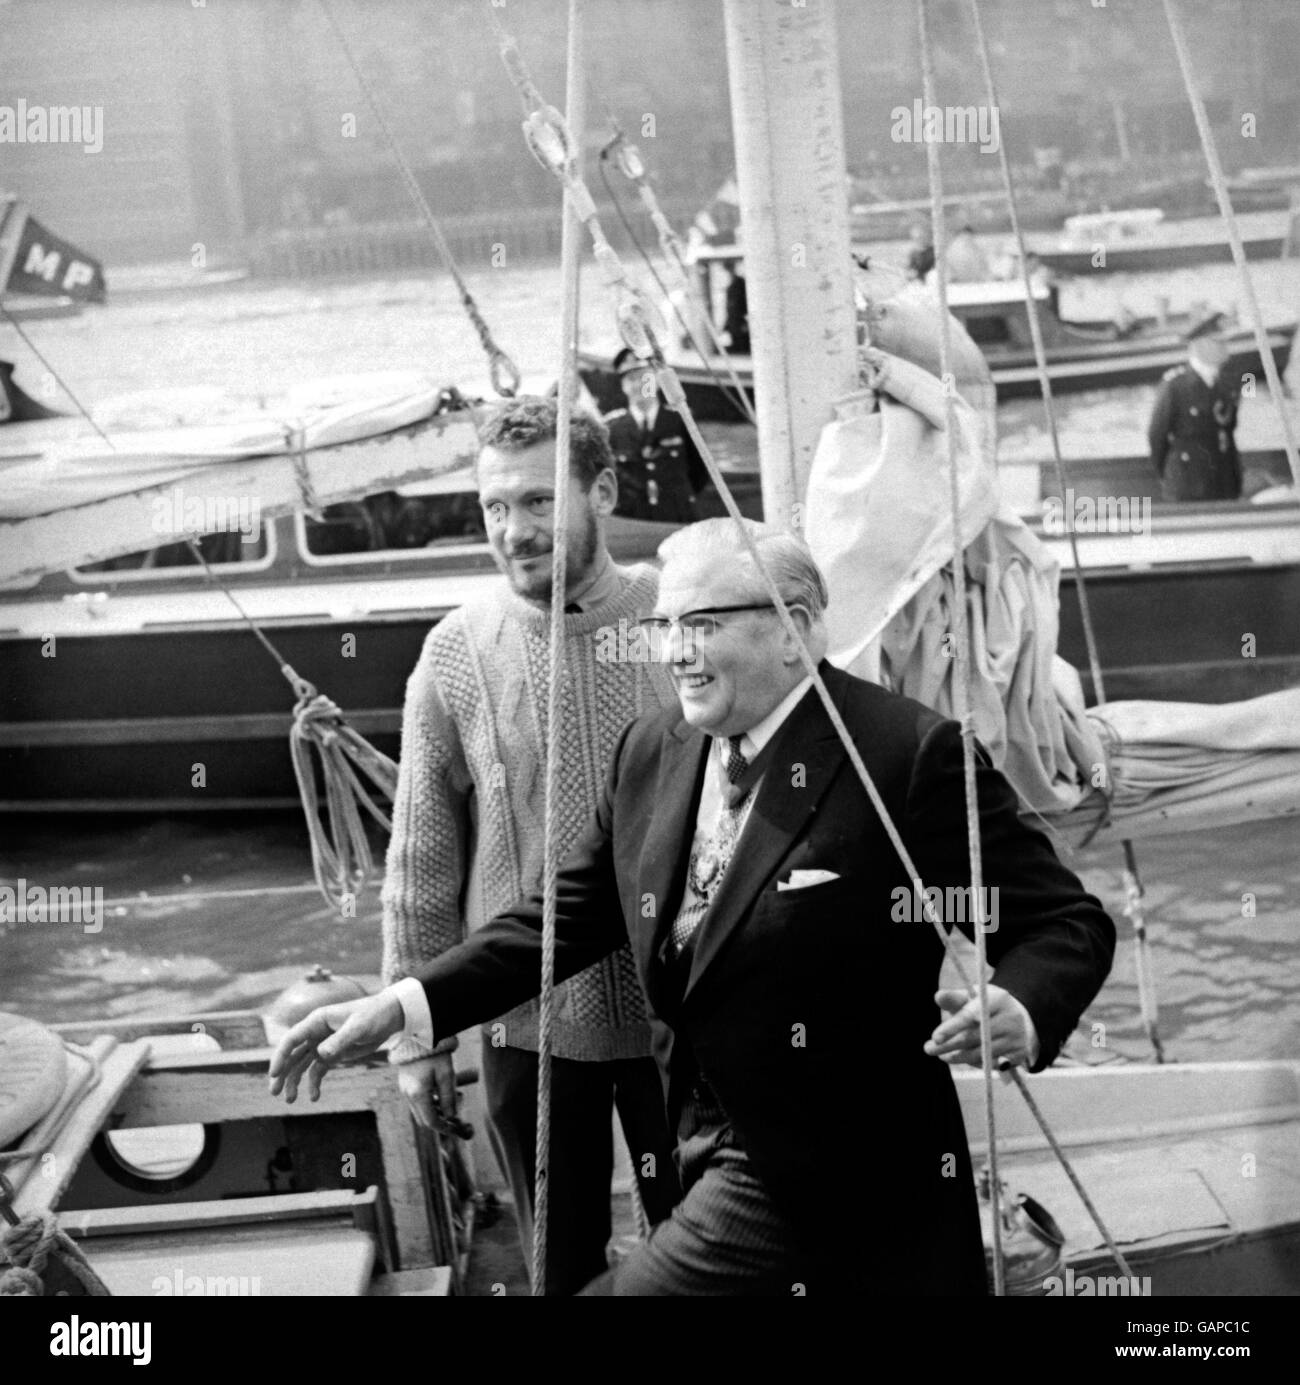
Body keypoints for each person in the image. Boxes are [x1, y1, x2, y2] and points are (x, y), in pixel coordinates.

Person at [271, 519, 1116, 1296]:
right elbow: (559, 922)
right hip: (696, 1161)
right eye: (664, 626)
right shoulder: (654, 751)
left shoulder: (907, 758)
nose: (675, 651)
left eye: (701, 623)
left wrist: (1024, 1004)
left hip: (825, 1177)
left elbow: (1063, 921)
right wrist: (402, 1004)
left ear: (792, 627)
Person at [377, 395, 680, 1295]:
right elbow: (421, 860)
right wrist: (415, 1040)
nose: (516, 529)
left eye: (541, 500)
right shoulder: (456, 652)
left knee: (697, 1251)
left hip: (678, 1008)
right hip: (528, 1020)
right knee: (558, 1265)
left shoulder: (679, 619)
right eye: (495, 507)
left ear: (605, 490)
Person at [603, 348, 708, 523]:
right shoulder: (612, 428)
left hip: (677, 515)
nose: (639, 385)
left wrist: (681, 498)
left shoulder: (681, 421)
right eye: (631, 379)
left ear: (658, 382)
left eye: (645, 378)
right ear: (623, 386)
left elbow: (700, 470)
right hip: (631, 519)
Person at [1147, 322, 1242, 502]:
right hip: (1189, 483)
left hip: (1225, 481)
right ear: (1199, 345)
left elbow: (1233, 421)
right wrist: (1168, 475)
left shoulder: (1229, 379)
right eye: (1218, 343)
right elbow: (1156, 436)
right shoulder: (1175, 385)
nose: (1225, 348)